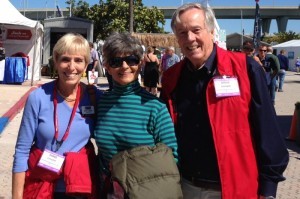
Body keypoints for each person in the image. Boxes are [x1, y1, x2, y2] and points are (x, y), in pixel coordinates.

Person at [160, 3, 289, 199]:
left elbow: (267, 129)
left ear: (212, 32)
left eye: (196, 30)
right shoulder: (171, 78)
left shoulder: (245, 69)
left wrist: (268, 187)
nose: (190, 39)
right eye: (182, 33)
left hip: (235, 186)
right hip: (185, 187)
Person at [12, 33, 102, 198]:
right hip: (41, 186)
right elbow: (22, 151)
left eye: (78, 60)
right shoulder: (38, 97)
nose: (71, 67)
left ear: (87, 64)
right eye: (65, 59)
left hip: (79, 189)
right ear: (56, 60)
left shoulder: (95, 97)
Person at [94, 32, 179, 197]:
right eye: (116, 61)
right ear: (107, 67)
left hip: (143, 192)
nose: (124, 66)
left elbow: (171, 156)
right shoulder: (102, 103)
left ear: (140, 64)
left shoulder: (154, 107)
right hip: (107, 190)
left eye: (131, 60)